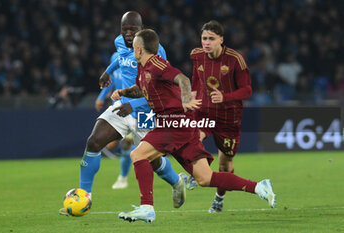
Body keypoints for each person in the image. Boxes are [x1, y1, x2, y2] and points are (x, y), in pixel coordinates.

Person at [112, 29, 276, 223]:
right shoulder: (143, 68)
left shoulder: (157, 64)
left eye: (134, 49)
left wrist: (185, 98)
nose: (133, 51)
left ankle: (147, 207)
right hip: (182, 125)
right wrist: (122, 91)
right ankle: (259, 186)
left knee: (137, 154)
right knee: (205, 178)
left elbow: (183, 79)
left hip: (173, 122)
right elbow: (142, 88)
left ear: (139, 49)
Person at [59, 11, 186, 216]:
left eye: (132, 30)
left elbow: (161, 90)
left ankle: (177, 182)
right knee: (94, 142)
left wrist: (134, 106)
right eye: (124, 29)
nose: (127, 33)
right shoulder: (119, 42)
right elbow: (121, 59)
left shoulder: (156, 51)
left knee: (152, 161)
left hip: (146, 112)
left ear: (141, 29)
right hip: (122, 106)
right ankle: (85, 197)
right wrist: (108, 71)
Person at [187, 20, 254, 213]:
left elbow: (247, 90)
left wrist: (225, 97)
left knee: (225, 165)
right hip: (204, 112)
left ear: (221, 40)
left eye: (211, 39)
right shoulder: (196, 55)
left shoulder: (235, 60)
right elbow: (195, 78)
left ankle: (219, 198)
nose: (206, 42)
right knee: (192, 138)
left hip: (228, 118)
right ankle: (196, 171)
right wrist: (192, 95)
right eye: (204, 38)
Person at [95, 52, 135, 189]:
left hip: (135, 107)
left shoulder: (136, 57)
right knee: (113, 145)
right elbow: (110, 79)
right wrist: (101, 96)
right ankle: (123, 178)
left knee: (137, 148)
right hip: (119, 106)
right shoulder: (114, 57)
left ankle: (123, 178)